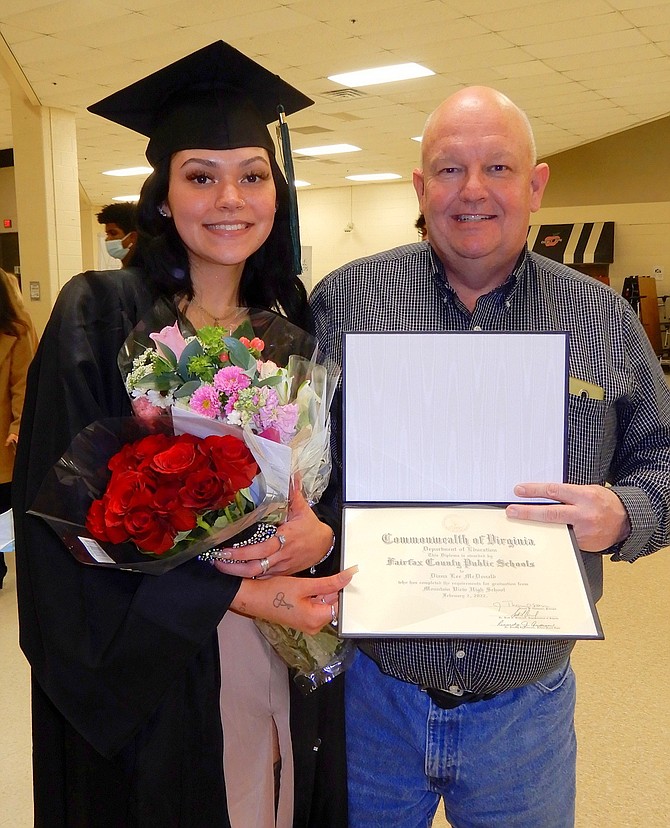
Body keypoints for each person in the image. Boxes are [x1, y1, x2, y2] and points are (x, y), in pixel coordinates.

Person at [12, 41, 352, 828]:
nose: (229, 198)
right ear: (163, 196)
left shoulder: (293, 321)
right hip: (161, 667)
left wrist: (315, 534)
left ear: (277, 193)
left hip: (284, 639)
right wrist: (231, 591)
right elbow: (60, 531)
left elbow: (328, 480)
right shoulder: (98, 316)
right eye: (201, 176)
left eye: (252, 176)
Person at [310, 86, 670, 828]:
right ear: (419, 187)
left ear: (535, 185)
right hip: (376, 697)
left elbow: (662, 456)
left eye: (498, 168)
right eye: (448, 170)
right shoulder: (348, 303)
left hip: (524, 714)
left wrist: (624, 512)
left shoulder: (600, 316)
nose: (472, 191)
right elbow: (301, 469)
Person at [0, 269, 36, 589]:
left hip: (2, 438)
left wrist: (18, 425)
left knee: (2, 508)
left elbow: (23, 385)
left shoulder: (17, 332)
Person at [96, 202, 139, 267]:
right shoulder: (124, 271)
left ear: (132, 237)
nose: (107, 239)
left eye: (113, 233)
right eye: (107, 234)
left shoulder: (147, 273)